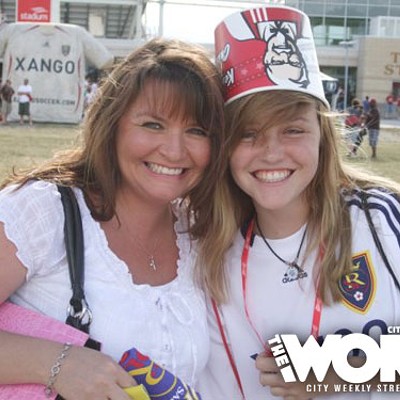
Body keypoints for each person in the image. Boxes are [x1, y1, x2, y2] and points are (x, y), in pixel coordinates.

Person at [0, 37, 225, 399]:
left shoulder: (199, 233)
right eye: (153, 125)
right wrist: (58, 364)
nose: (174, 150)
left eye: (197, 131)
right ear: (113, 123)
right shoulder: (44, 211)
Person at [197, 5, 400, 400]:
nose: (272, 154)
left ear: (322, 135)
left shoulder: (382, 220)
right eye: (249, 133)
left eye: (293, 129)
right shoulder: (205, 250)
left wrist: (342, 368)